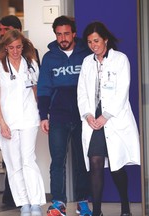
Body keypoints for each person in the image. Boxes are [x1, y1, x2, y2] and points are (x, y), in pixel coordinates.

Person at [77, 21, 141, 216]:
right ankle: (97, 211)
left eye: (96, 40)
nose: (93, 45)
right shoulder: (88, 62)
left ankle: (125, 206)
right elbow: (81, 92)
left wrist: (105, 116)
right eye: (89, 42)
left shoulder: (120, 59)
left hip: (113, 118)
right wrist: (88, 115)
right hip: (93, 120)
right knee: (95, 163)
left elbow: (122, 91)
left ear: (105, 39)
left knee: (116, 165)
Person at [0, 15, 40, 207]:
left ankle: (36, 203)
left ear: (23, 46)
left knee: (29, 161)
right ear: (6, 47)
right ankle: (24, 204)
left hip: (29, 119)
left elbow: (36, 92)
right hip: (8, 122)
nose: (15, 51)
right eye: (11, 47)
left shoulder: (31, 64)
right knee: (14, 164)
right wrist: (3, 124)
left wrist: (43, 114)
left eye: (19, 47)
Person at [37, 16, 92, 216]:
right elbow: (43, 89)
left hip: (82, 116)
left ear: (74, 33)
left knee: (82, 160)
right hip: (58, 116)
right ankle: (58, 203)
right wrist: (44, 116)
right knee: (57, 161)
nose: (63, 38)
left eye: (66, 33)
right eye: (59, 34)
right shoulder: (49, 57)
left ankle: (82, 202)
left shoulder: (86, 54)